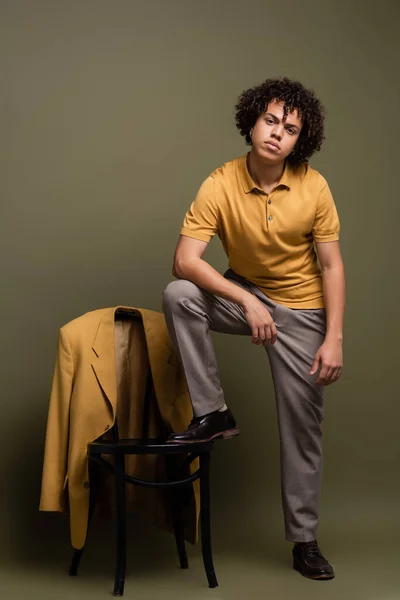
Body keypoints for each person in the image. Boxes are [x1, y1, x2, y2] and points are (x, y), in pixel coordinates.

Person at [161, 77, 345, 580]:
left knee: (302, 428)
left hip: (304, 311)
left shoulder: (315, 185)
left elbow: (331, 266)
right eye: (270, 120)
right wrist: (245, 298)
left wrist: (333, 337)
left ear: (298, 141)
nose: (276, 134)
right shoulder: (219, 182)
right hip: (245, 296)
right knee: (179, 295)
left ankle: (304, 541)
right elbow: (184, 262)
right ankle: (213, 412)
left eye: (289, 129)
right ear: (252, 121)